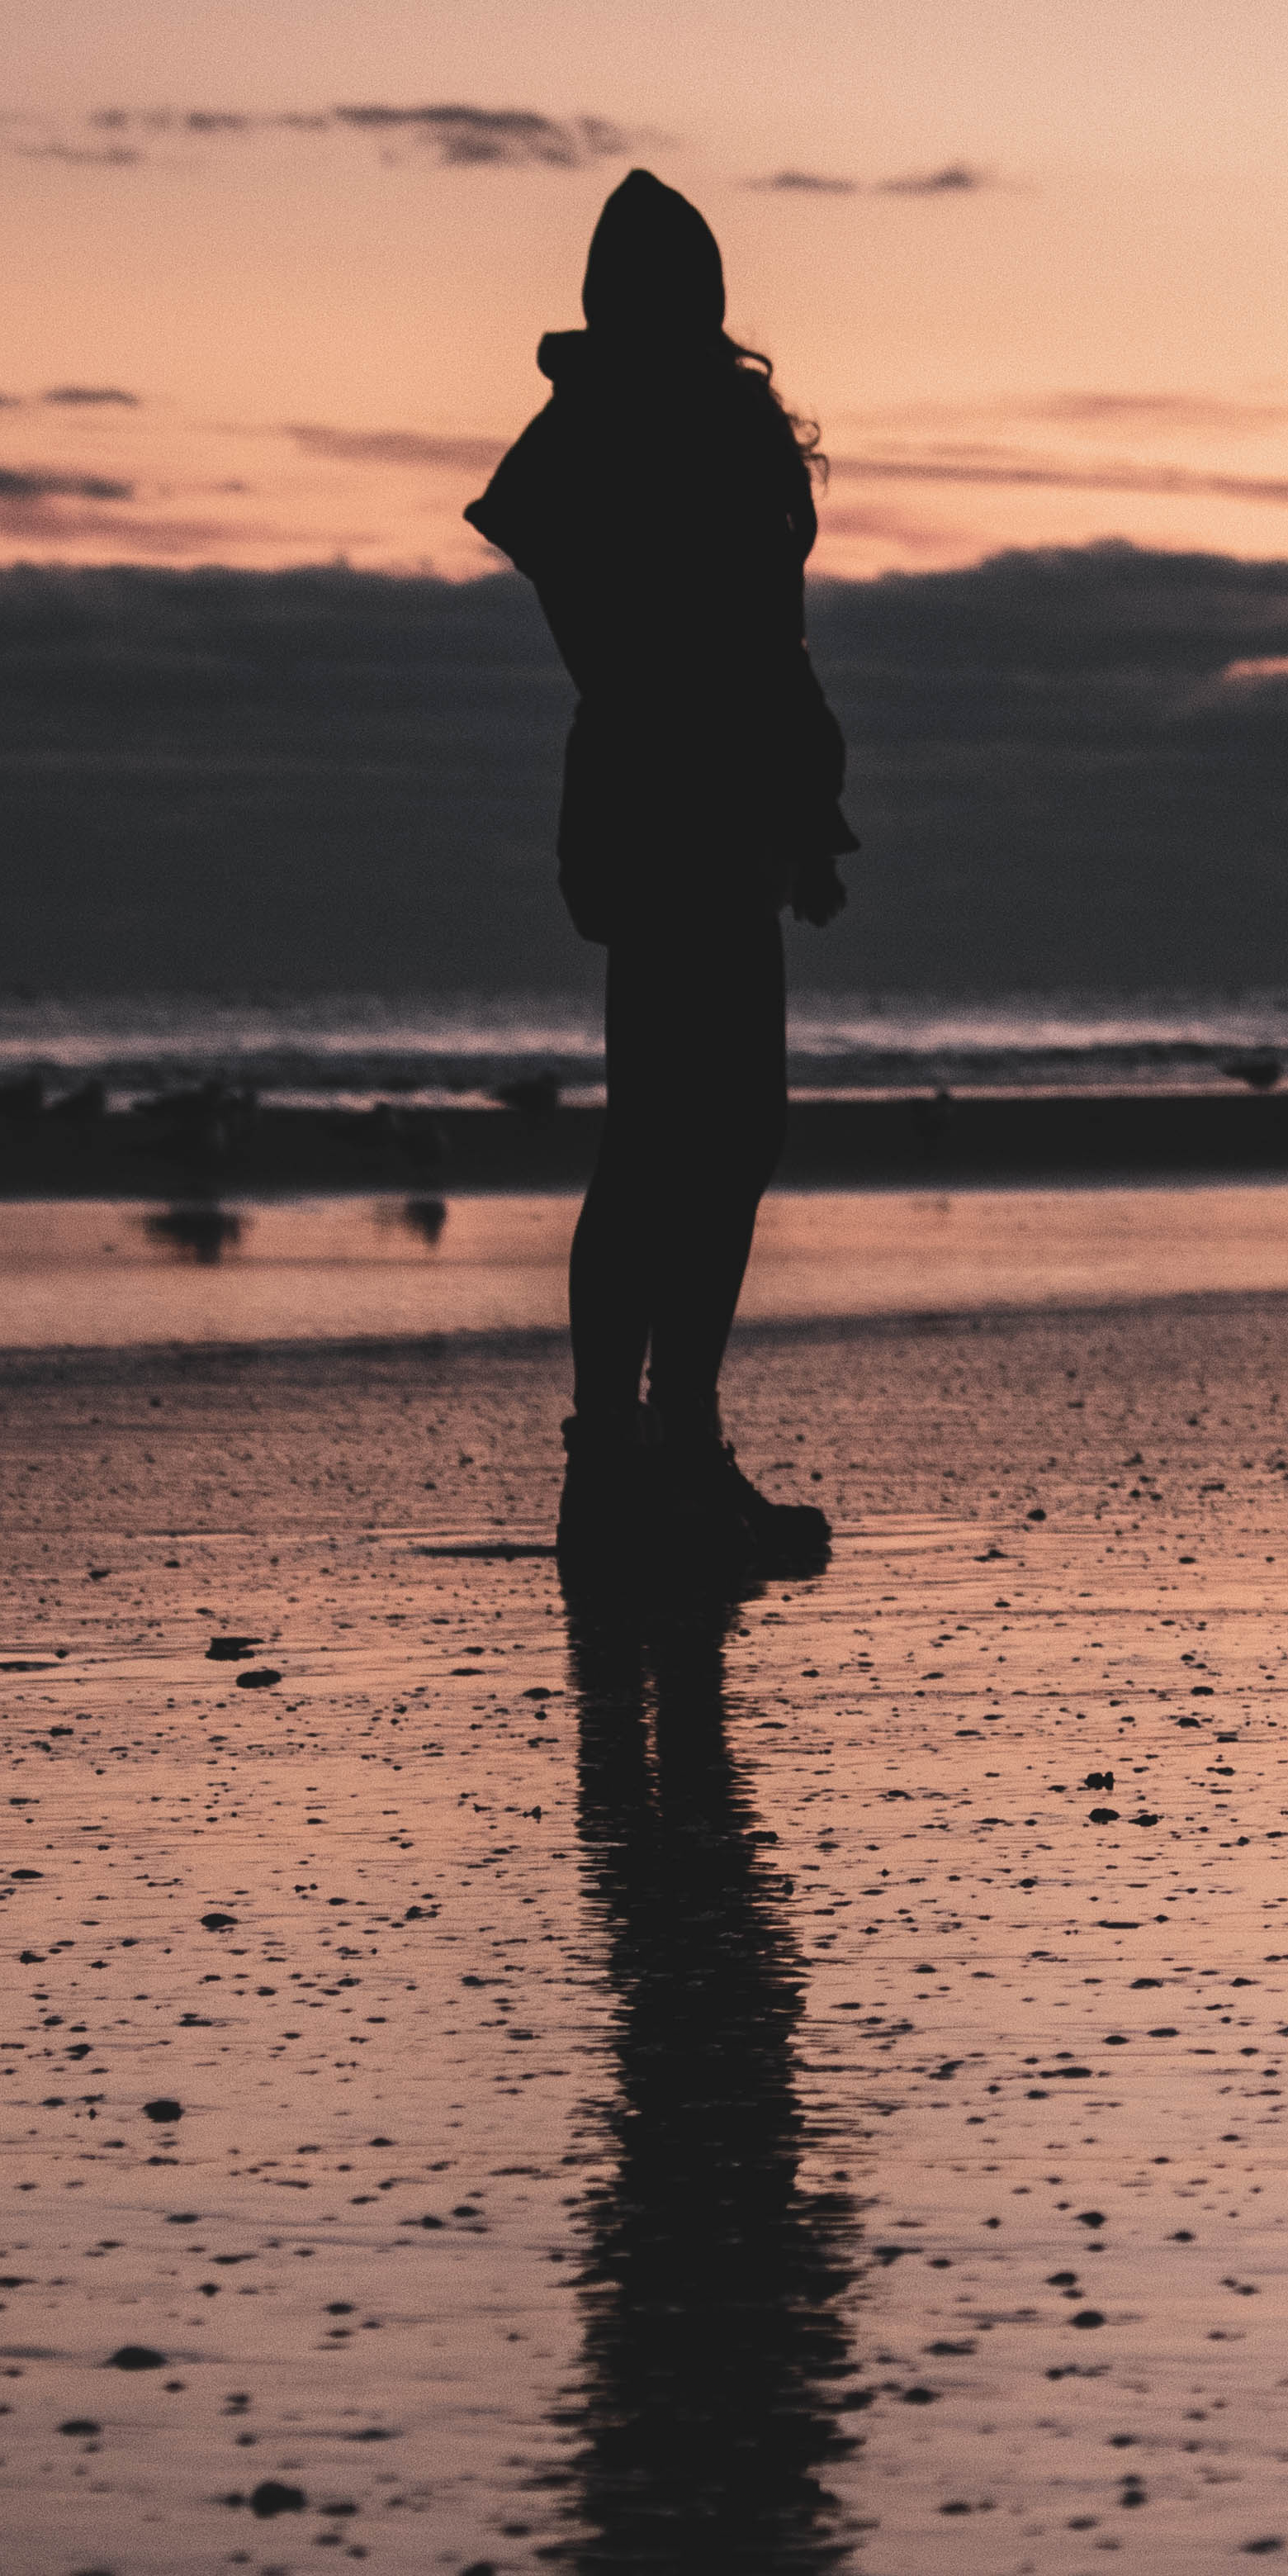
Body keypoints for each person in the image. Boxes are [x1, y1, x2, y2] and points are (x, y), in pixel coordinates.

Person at [467, 169, 850, 1575]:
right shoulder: (624, 430)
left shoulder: (659, 427)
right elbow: (700, 637)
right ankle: (642, 1458)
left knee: (700, 1135)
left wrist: (802, 798)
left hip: (691, 787)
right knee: (693, 1136)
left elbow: (756, 636)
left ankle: (650, 1452)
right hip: (675, 787)